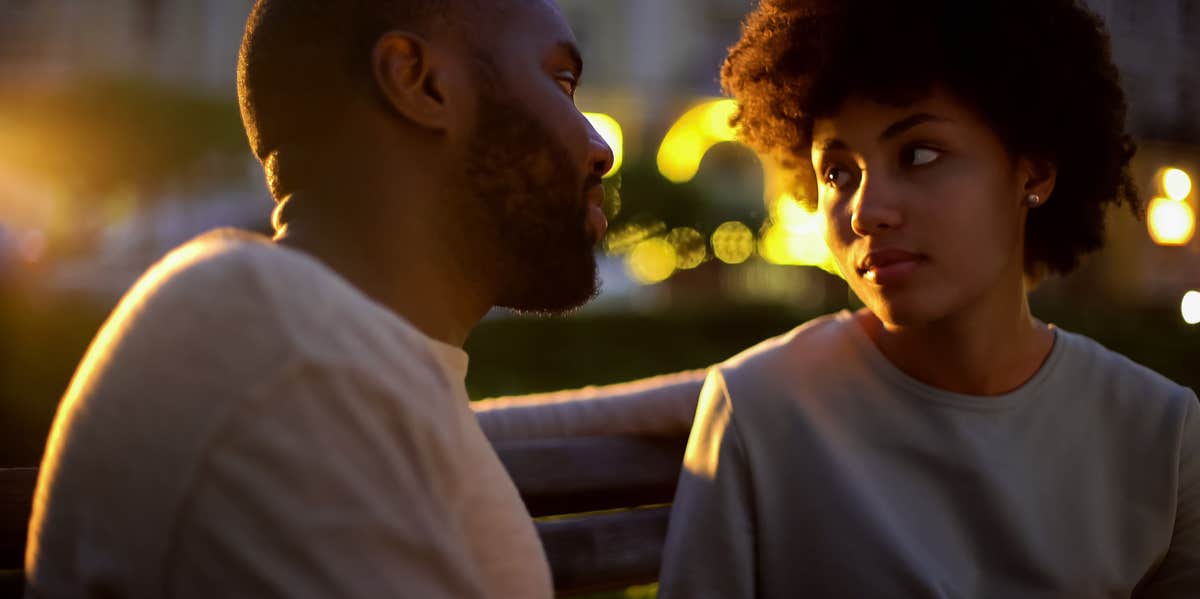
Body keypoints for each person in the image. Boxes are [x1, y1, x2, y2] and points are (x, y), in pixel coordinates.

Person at [477, 0, 1200, 596]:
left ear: (1033, 171)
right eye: (838, 172)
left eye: (918, 154)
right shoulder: (759, 409)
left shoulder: (1163, 438)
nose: (865, 210)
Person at [25, 0, 612, 597]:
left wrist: (705, 394)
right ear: (420, 83)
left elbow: (489, 425)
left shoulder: (323, 347)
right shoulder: (290, 352)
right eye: (561, 84)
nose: (600, 148)